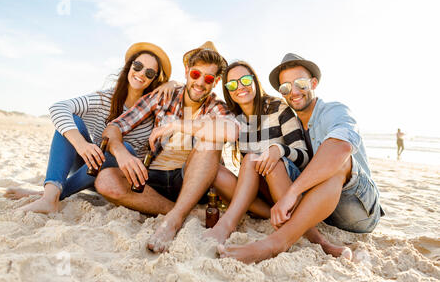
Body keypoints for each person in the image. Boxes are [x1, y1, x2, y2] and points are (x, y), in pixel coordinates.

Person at [217, 53, 385, 264]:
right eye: (286, 88)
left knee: (336, 159)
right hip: (319, 211)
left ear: (314, 83)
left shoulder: (333, 111)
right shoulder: (253, 120)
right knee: (260, 160)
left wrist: (292, 192)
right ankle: (313, 237)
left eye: (301, 84)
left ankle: (276, 242)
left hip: (356, 208)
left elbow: (341, 147)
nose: (294, 92)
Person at [95, 41, 240, 253]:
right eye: (196, 74)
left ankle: (173, 220)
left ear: (216, 81)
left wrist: (177, 125)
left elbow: (232, 131)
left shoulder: (216, 106)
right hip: (155, 177)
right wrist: (121, 153)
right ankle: (181, 212)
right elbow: (114, 127)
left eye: (208, 78)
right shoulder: (165, 95)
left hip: (192, 179)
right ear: (187, 71)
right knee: (105, 180)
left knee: (211, 137)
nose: (200, 82)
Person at [203, 60, 352, 259]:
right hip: (262, 191)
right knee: (220, 170)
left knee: (255, 159)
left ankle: (317, 239)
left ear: (255, 81)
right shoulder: (236, 120)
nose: (239, 87)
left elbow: (304, 156)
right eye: (231, 85)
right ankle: (272, 218)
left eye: (245, 80)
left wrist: (278, 149)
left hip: (285, 181)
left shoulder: (278, 107)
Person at [4, 42, 175, 214]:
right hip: (89, 169)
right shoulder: (105, 98)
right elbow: (58, 108)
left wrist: (172, 84)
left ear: (155, 79)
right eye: (137, 66)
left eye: (150, 72)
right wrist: (81, 144)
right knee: (73, 121)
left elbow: (189, 92)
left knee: (126, 148)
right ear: (129, 66)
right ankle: (49, 198)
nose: (141, 74)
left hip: (119, 175)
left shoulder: (154, 105)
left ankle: (50, 195)